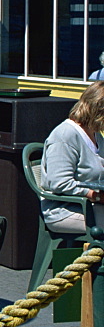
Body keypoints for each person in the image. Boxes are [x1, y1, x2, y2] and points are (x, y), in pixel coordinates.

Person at [40, 82, 104, 232]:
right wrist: (96, 196)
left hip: (93, 204)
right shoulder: (64, 136)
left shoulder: (95, 133)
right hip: (65, 209)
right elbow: (59, 182)